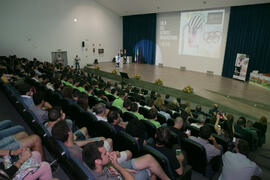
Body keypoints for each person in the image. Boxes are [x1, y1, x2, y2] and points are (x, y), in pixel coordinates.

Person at [83, 141, 171, 180]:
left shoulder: (93, 164)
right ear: (97, 161)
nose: (109, 154)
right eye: (105, 154)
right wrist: (119, 167)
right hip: (121, 176)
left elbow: (108, 169)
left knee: (148, 158)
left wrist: (122, 169)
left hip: (114, 170)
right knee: (149, 171)